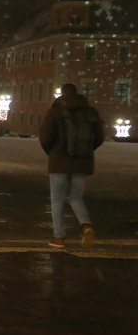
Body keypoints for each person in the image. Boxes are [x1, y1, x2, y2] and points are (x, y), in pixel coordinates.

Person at [39, 82, 105, 248]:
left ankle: (59, 237)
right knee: (76, 196)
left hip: (59, 161)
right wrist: (86, 151)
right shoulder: (90, 112)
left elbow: (45, 136)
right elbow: (99, 137)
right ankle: (86, 225)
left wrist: (53, 152)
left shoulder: (55, 111)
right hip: (83, 161)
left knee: (57, 199)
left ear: (61, 93)